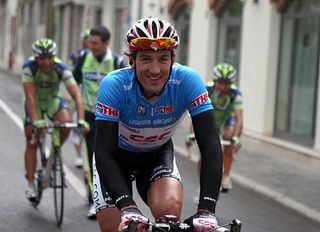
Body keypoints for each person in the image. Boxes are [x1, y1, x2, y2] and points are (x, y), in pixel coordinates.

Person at [93, 18, 223, 232]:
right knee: (116, 227)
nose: (155, 69)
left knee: (169, 213)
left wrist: (206, 210)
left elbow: (210, 145)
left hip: (156, 154)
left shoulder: (188, 81)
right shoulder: (114, 85)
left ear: (173, 59)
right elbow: (104, 151)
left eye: (163, 59)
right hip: (115, 158)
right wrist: (127, 206)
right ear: (132, 60)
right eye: (145, 59)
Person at [21, 38, 89, 202]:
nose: (46, 62)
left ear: (54, 56)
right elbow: (30, 97)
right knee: (32, 139)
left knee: (65, 122)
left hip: (52, 100)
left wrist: (80, 120)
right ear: (36, 58)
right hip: (35, 102)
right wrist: (36, 121)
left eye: (49, 58)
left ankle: (53, 154)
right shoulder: (29, 67)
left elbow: (77, 95)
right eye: (42, 58)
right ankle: (30, 183)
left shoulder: (61, 68)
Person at [72, 25, 127, 219]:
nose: (91, 46)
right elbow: (73, 81)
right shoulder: (83, 59)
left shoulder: (117, 61)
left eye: (95, 43)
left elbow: (125, 88)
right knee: (92, 158)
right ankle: (94, 200)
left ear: (106, 43)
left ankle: (114, 198)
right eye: (90, 42)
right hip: (89, 115)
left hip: (112, 118)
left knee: (111, 158)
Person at [187, 63, 243, 192]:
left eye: (227, 83)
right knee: (205, 152)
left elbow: (239, 118)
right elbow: (196, 116)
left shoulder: (235, 94)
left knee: (230, 138)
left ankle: (226, 175)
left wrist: (237, 138)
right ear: (215, 81)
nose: (223, 87)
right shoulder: (206, 89)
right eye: (220, 83)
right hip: (209, 120)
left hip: (225, 121)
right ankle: (203, 181)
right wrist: (192, 134)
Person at [68, 29, 90, 169]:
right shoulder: (77, 55)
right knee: (78, 127)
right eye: (87, 40)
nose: (89, 43)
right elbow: (72, 75)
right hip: (79, 96)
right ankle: (79, 156)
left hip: (92, 99)